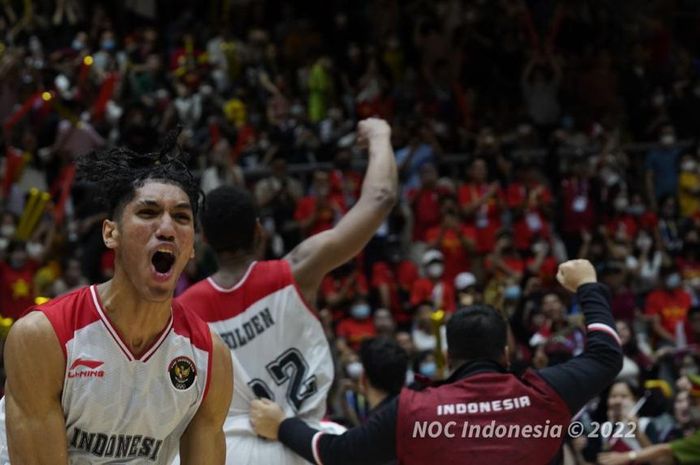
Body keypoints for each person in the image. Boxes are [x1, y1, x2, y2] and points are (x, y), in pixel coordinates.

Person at [176, 118, 398, 465]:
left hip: (223, 453)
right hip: (300, 444)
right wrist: (379, 134)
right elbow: (381, 197)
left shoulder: (180, 312)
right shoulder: (296, 272)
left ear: (204, 240)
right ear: (259, 231)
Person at [249, 259, 623, 465]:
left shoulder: (413, 408)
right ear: (506, 354)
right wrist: (588, 283)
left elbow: (337, 455)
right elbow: (606, 355)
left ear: (448, 360)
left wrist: (282, 425)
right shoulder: (546, 392)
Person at [0, 135, 233, 463]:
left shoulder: (211, 357)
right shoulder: (44, 337)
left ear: (192, 246)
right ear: (111, 233)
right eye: (148, 212)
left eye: (181, 218)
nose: (166, 228)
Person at [598, 374, 700, 465]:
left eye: (624, 396)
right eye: (613, 396)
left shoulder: (645, 424)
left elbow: (661, 455)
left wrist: (628, 453)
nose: (618, 401)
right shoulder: (604, 427)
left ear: (635, 399)